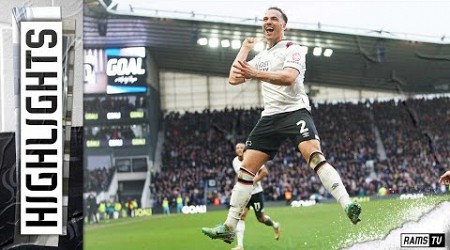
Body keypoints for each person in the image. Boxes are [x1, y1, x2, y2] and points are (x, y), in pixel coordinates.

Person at [202, 6, 361, 244]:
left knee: (315, 157)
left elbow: (288, 77)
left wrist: (254, 73)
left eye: (273, 18)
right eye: (265, 19)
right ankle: (229, 226)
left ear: (283, 25)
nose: (268, 21)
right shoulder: (261, 58)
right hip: (270, 117)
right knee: (246, 170)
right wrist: (245, 49)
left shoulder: (293, 49)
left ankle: (347, 204)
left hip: (294, 111)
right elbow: (234, 78)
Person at [231, 143, 280, 250]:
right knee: (241, 216)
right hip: (245, 193)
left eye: (241, 148)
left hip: (256, 193)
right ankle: (240, 246)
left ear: (245, 150)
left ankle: (275, 225)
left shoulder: (252, 158)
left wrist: (254, 181)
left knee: (261, 218)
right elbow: (239, 175)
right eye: (237, 148)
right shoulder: (234, 161)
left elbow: (264, 171)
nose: (239, 149)